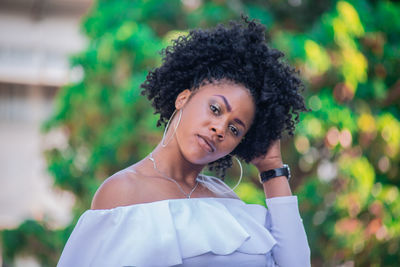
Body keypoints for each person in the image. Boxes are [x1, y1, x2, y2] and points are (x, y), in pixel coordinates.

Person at [57, 16, 311, 267]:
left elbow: (295, 263)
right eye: (215, 109)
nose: (220, 129)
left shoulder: (227, 201)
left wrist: (272, 169)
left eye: (235, 129)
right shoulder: (122, 191)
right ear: (183, 98)